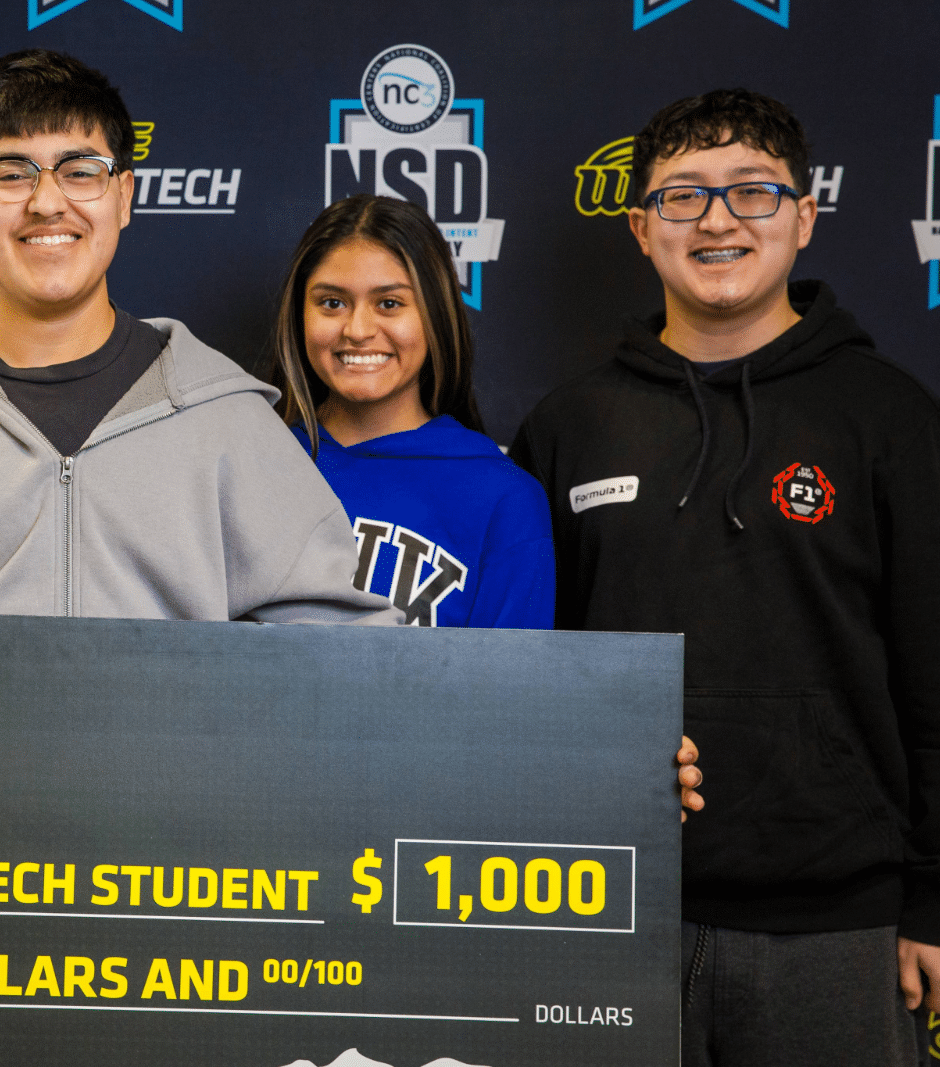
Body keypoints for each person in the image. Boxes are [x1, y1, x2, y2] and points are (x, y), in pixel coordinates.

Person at [509, 88, 940, 1065]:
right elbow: (527, 673)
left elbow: (933, 663)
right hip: (607, 907)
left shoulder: (889, 417)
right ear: (638, 226)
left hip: (839, 921)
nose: (715, 219)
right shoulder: (569, 425)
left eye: (750, 192)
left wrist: (932, 897)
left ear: (802, 215)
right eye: (682, 196)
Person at [0, 49, 397, 624]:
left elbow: (337, 663)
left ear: (124, 197)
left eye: (80, 170)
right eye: (10, 172)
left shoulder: (227, 419)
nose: (47, 201)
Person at [268, 194, 553, 630]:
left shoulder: (503, 498)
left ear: (435, 314)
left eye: (389, 304)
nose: (358, 330)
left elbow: (510, 694)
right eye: (331, 303)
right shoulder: (253, 463)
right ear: (298, 314)